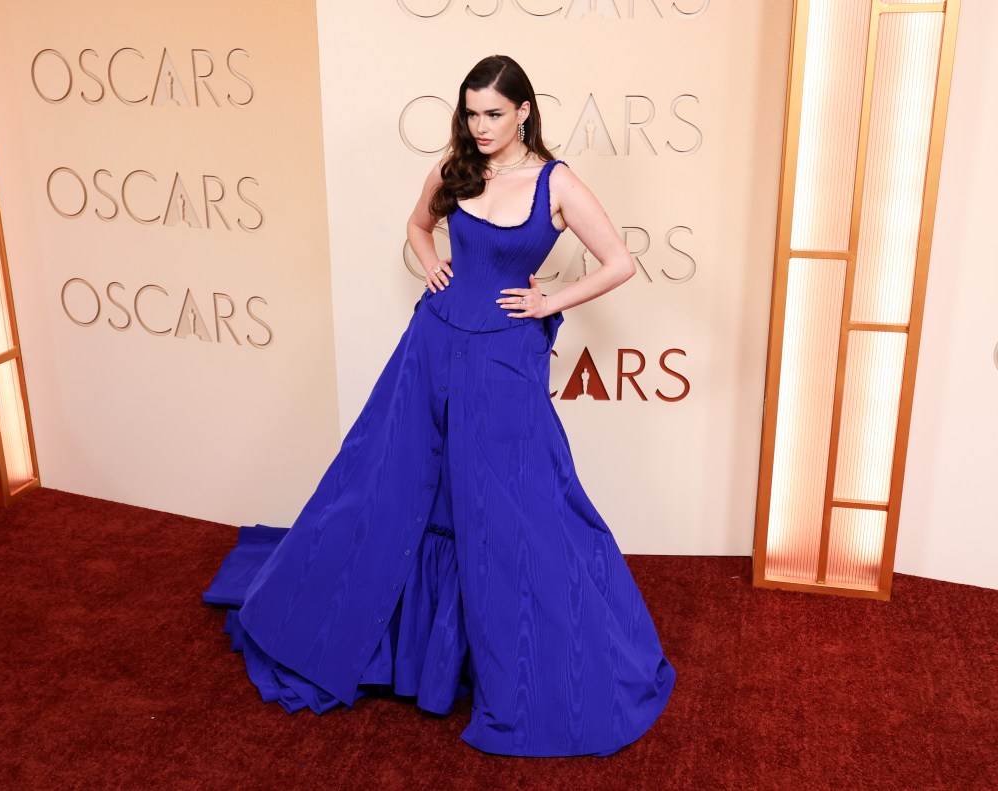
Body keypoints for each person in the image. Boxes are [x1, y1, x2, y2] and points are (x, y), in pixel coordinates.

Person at [204, 54, 675, 758]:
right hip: (431, 345)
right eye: (470, 112)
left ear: (523, 111)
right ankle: (393, 650)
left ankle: (531, 668)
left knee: (511, 505)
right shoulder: (454, 169)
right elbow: (417, 226)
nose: (479, 126)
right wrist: (428, 260)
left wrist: (549, 300)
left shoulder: (558, 181)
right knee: (391, 483)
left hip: (504, 357)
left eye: (493, 113)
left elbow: (620, 261)